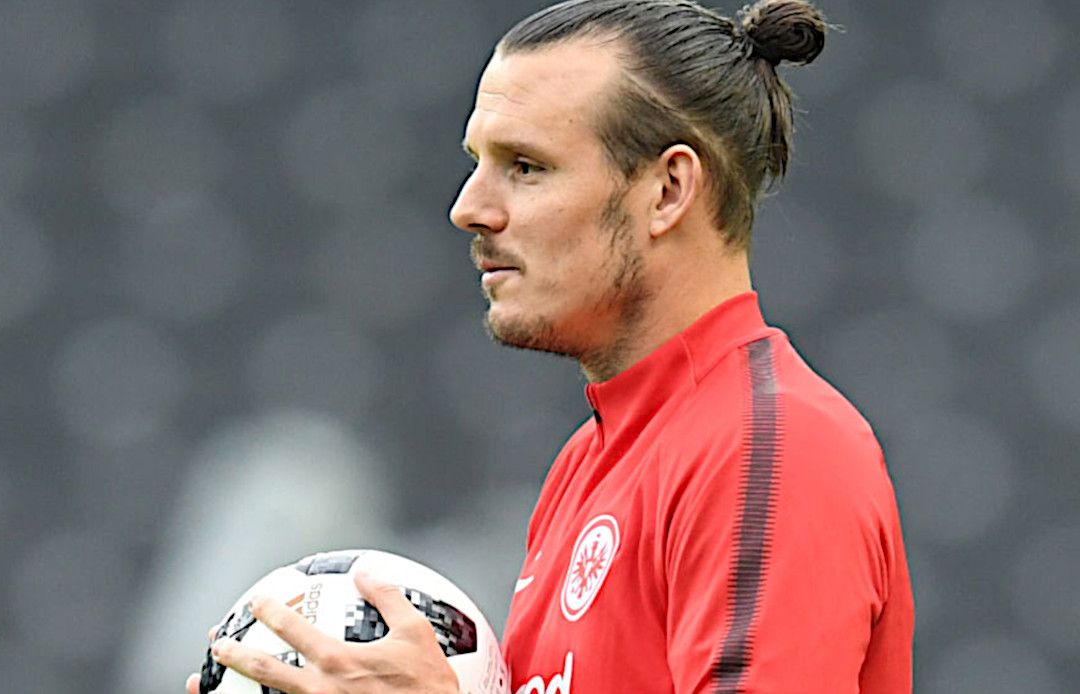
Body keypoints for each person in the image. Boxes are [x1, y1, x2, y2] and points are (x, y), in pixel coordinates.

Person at [189, 0, 914, 692]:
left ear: (668, 190)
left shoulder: (770, 445)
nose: (469, 207)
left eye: (525, 166)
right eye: (477, 162)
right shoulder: (588, 464)